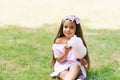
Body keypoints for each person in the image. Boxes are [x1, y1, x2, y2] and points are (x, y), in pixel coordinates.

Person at [50, 15, 90, 80]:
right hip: (62, 66)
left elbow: (84, 62)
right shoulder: (59, 41)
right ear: (62, 27)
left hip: (75, 66)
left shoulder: (78, 41)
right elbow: (59, 61)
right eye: (65, 27)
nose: (68, 30)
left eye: (71, 28)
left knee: (76, 66)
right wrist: (66, 52)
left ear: (76, 29)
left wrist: (81, 58)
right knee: (65, 74)